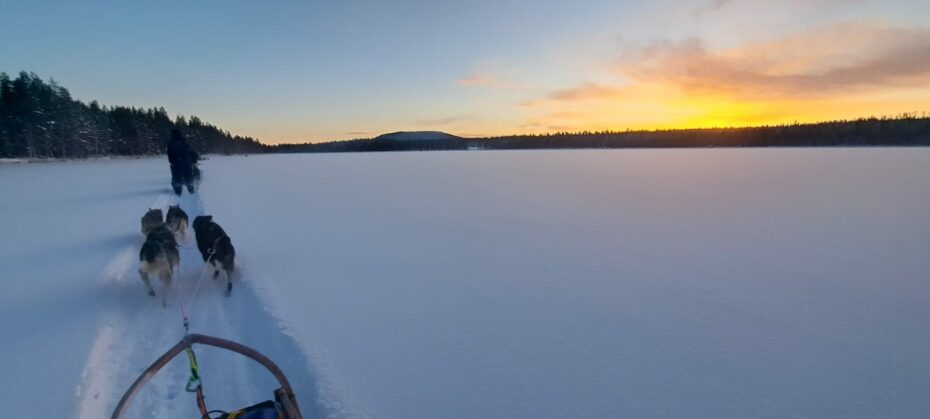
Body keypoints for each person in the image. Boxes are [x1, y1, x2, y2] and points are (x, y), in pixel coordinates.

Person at [167, 129, 195, 195]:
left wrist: (171, 161)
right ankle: (191, 191)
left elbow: (169, 154)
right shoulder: (184, 142)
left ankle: (178, 192)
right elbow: (190, 151)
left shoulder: (171, 143)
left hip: (176, 164)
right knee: (188, 177)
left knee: (177, 178)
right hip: (186, 163)